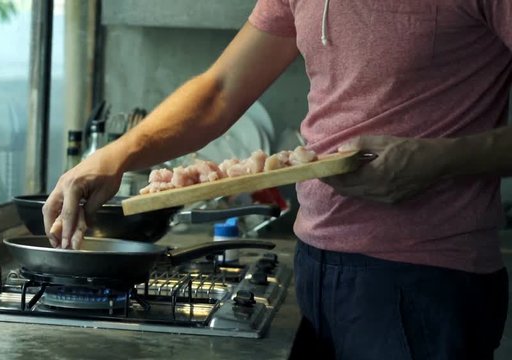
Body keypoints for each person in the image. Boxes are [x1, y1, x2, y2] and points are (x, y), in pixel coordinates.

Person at [43, 0, 511, 358]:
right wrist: (114, 155)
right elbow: (220, 91)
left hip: (427, 281)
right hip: (315, 269)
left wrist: (442, 159)